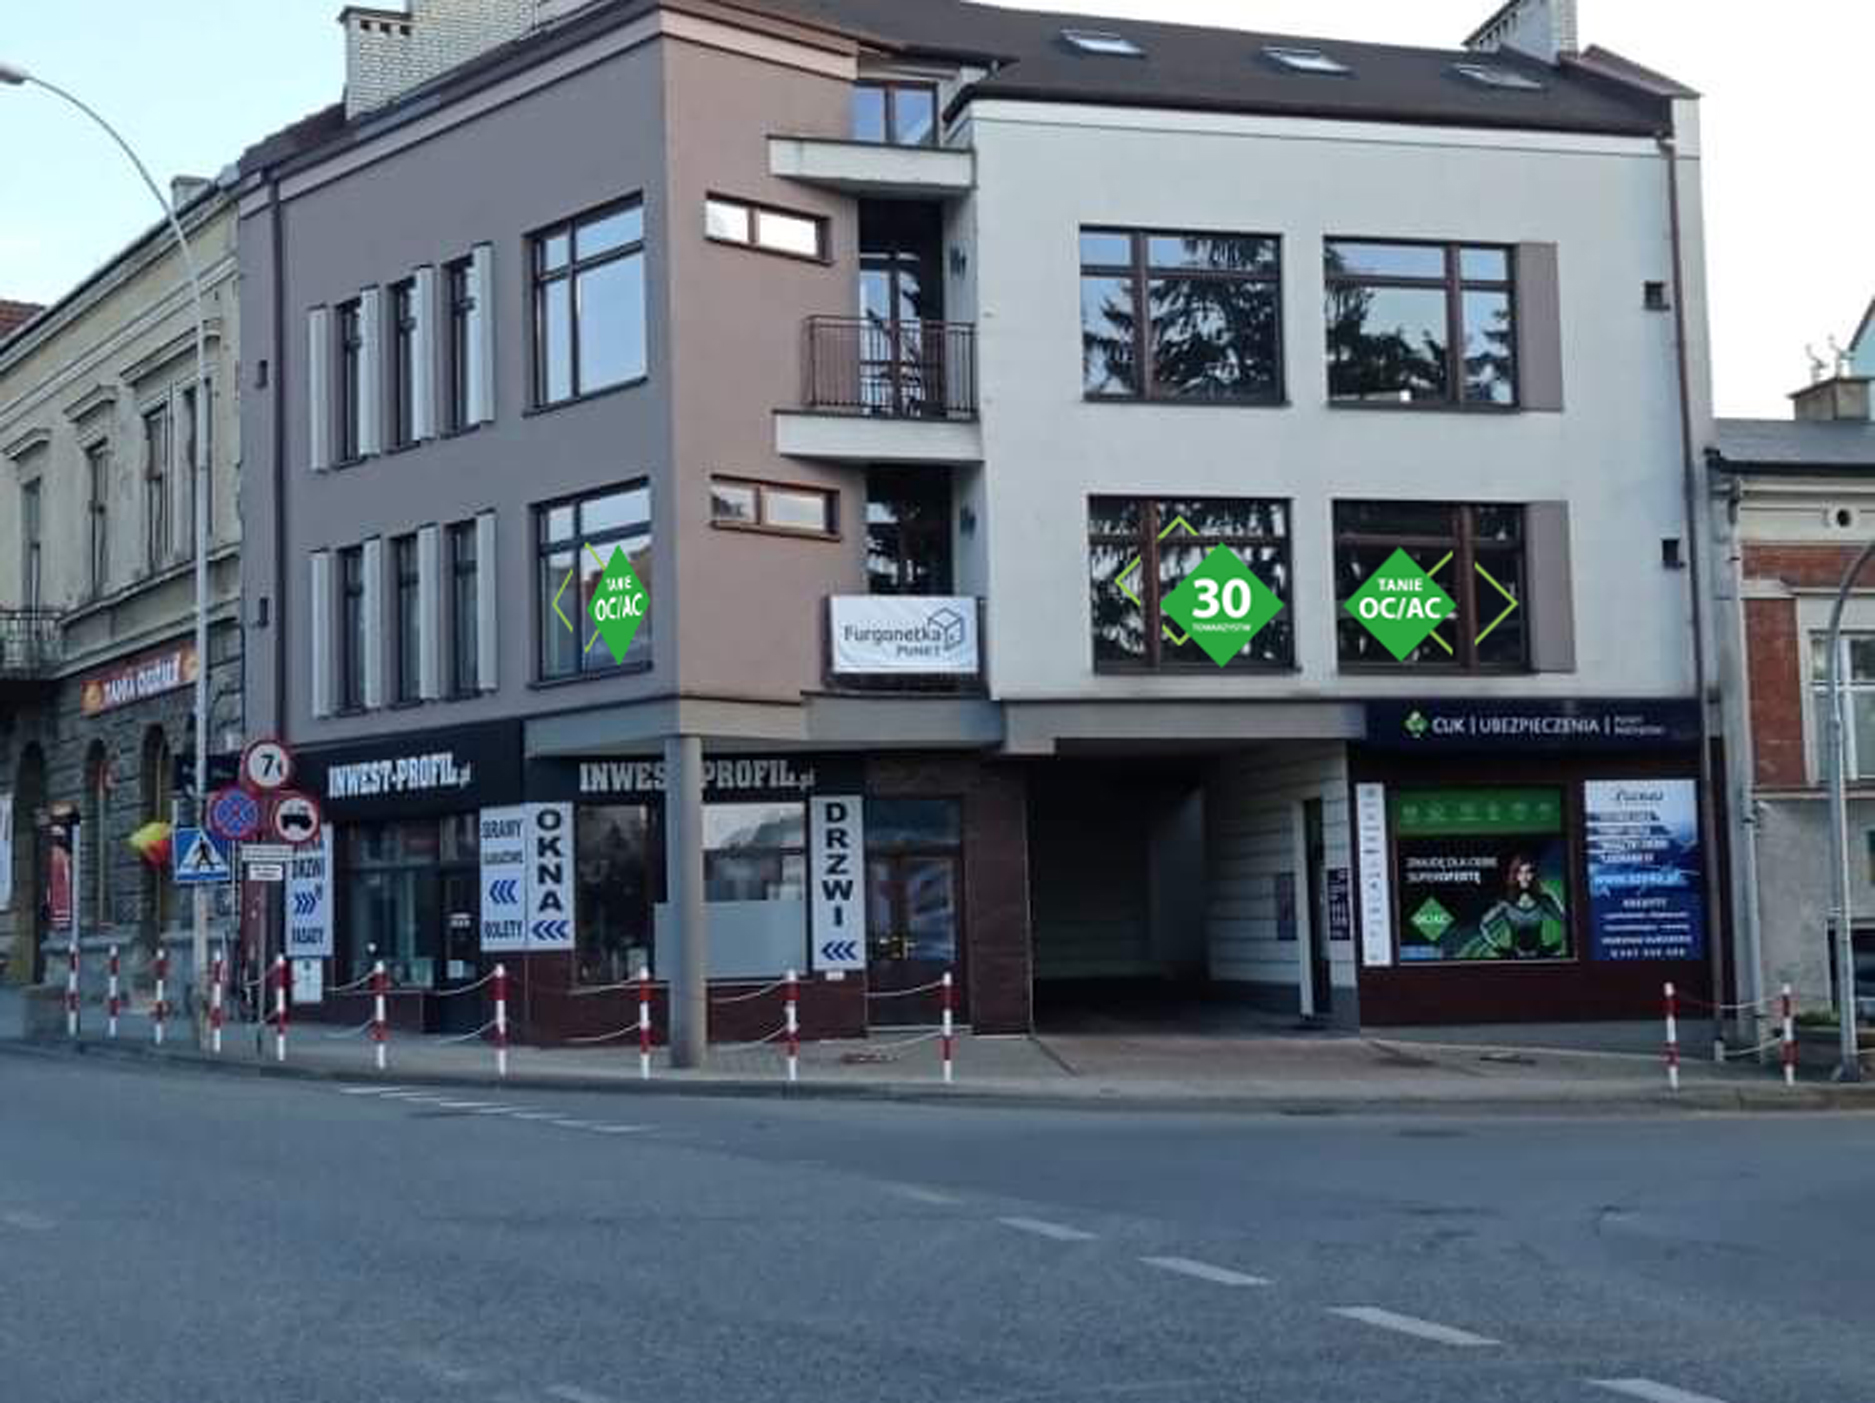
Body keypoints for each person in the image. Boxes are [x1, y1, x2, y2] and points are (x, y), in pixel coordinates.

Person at [1477, 852, 1566, 958]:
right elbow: (1483, 924)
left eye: (1528, 872)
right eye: (1520, 872)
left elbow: (1566, 921)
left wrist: (1554, 947)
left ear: (1533, 875)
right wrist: (1498, 948)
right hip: (1515, 959)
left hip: (1539, 957)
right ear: (1515, 875)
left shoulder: (1543, 900)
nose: (1524, 877)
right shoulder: (1506, 903)